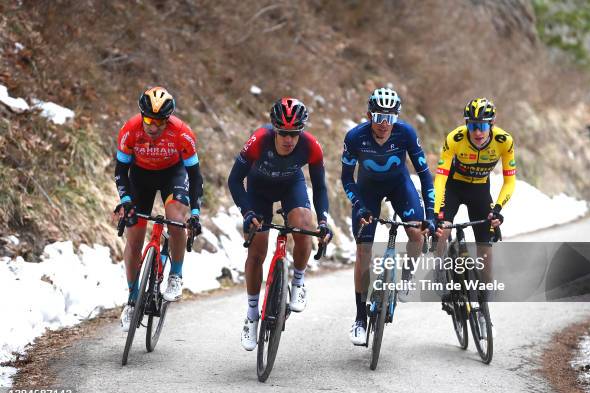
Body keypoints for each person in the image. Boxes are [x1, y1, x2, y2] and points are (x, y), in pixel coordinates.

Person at [228, 98, 333, 351]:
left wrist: (323, 220)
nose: (289, 139)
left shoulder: (311, 147)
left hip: (290, 186)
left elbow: (319, 187)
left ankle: (298, 281)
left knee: (304, 224)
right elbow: (234, 181)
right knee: (257, 250)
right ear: (275, 129)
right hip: (258, 191)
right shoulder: (259, 140)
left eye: (294, 133)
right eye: (284, 133)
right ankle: (252, 315)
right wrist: (247, 211)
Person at [341, 88, 435, 346]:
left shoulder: (405, 133)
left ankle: (406, 274)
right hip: (367, 192)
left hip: (400, 186)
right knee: (363, 252)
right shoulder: (355, 137)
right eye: (379, 117)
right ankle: (360, 319)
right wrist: (358, 205)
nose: (384, 124)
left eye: (390, 118)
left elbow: (425, 174)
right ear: (369, 115)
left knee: (416, 232)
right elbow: (347, 178)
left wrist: (431, 215)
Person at [114, 86, 203, 331]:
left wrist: (194, 212)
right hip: (140, 178)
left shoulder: (183, 134)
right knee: (134, 239)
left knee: (175, 220)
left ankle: (175, 274)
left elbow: (195, 177)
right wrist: (126, 201)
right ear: (141, 115)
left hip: (172, 175)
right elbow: (120, 173)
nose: (153, 127)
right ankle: (132, 300)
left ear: (168, 120)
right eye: (148, 120)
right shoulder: (130, 130)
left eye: (159, 122)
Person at [433, 97, 516, 337]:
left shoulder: (504, 141)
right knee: (444, 228)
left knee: (486, 251)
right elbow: (440, 178)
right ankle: (440, 269)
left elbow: (510, 180)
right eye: (472, 125)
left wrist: (498, 209)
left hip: (480, 190)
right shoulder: (455, 139)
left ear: (492, 124)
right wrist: (438, 211)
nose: (477, 131)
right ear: (466, 125)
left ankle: (483, 308)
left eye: (482, 125)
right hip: (454, 187)